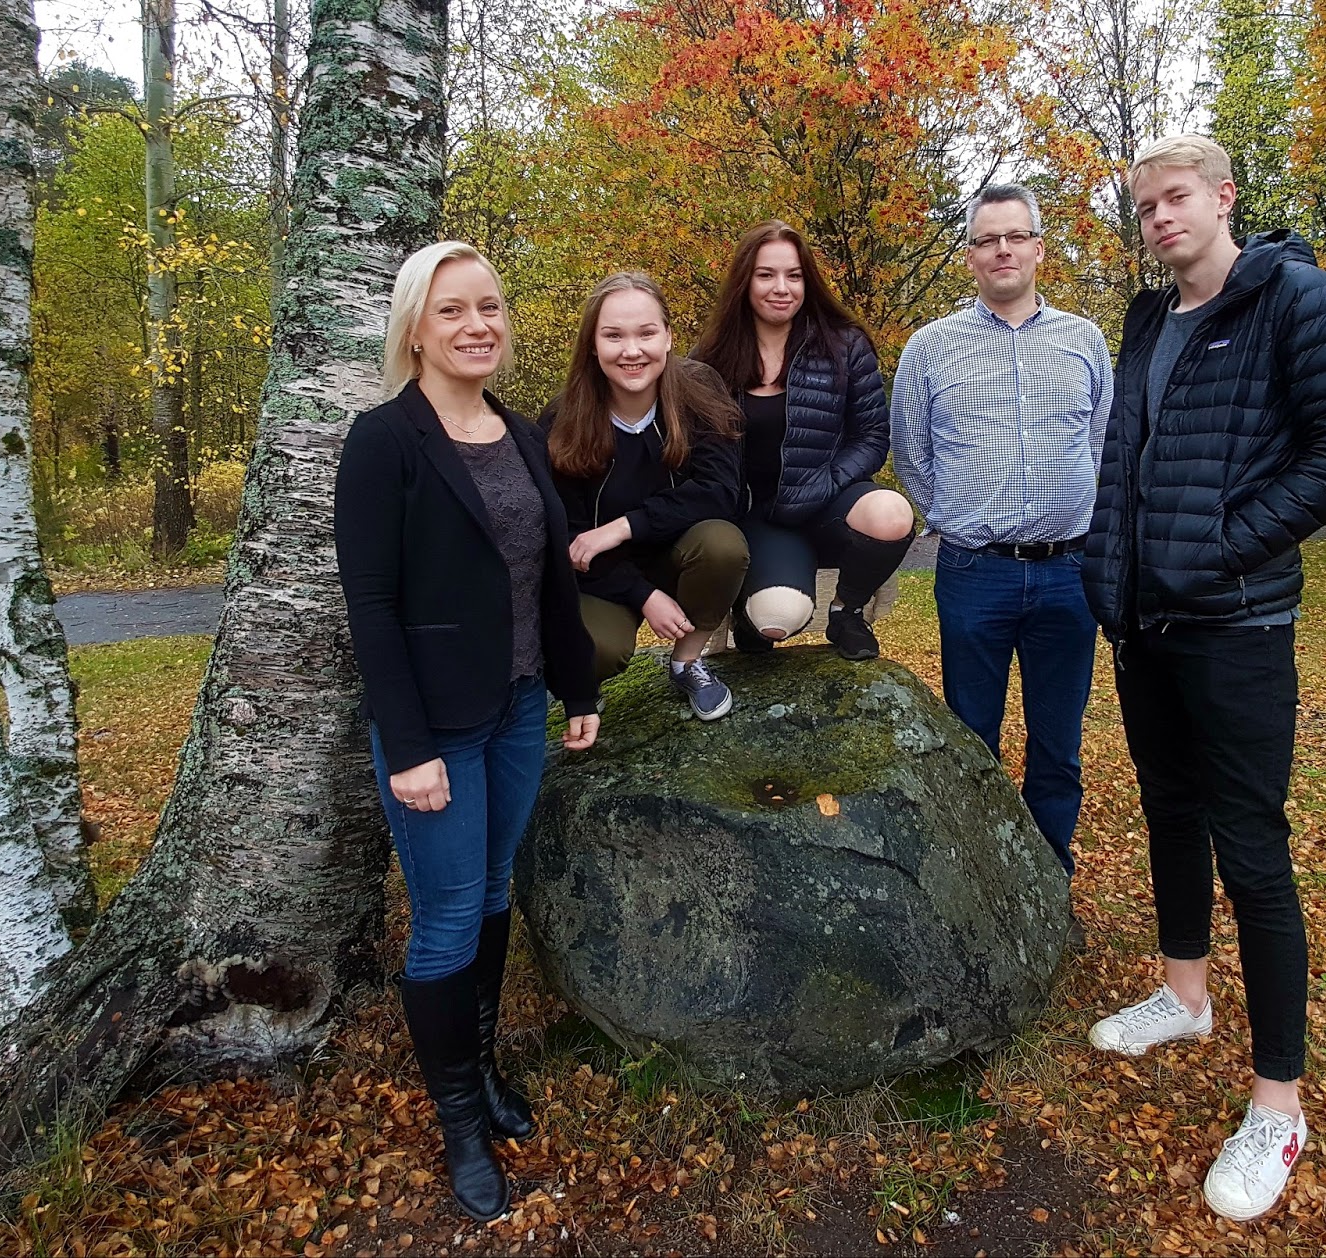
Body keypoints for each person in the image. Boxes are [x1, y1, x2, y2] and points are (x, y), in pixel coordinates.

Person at [1081, 135, 1326, 1222]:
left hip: (1239, 626)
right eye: (1145, 206)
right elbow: (1127, 459)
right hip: (1146, 623)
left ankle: (1277, 1106)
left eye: (1177, 198)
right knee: (1170, 812)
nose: (1161, 218)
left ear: (1223, 198)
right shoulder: (1147, 318)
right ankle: (1183, 993)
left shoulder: (1298, 299)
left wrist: (1221, 547)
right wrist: (1111, 574)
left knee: (1251, 849)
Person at [334, 242, 601, 1222]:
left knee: (492, 892)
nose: (476, 325)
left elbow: (547, 577)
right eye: (452, 310)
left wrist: (578, 685)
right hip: (436, 726)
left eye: (488, 306)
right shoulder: (384, 441)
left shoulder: (520, 433)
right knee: (447, 916)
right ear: (415, 328)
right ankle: (458, 1123)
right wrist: (406, 749)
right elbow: (370, 607)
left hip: (518, 708)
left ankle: (483, 1071)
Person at [891, 184, 1110, 944]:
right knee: (970, 743)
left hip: (1067, 574)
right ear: (971, 255)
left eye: (1017, 236)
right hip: (974, 573)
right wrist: (957, 518)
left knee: (1058, 746)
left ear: (1040, 248)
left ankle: (1049, 892)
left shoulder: (1084, 341)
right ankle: (981, 900)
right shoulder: (931, 348)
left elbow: (1102, 444)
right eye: (988, 239)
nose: (1003, 250)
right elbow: (911, 454)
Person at [691, 221, 914, 659]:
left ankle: (847, 611)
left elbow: (872, 436)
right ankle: (748, 609)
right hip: (759, 516)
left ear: (807, 280)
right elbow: (695, 452)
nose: (782, 288)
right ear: (744, 280)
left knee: (892, 513)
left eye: (793, 275)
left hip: (829, 500)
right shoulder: (710, 356)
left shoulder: (845, 345)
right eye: (766, 275)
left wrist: (825, 484)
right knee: (776, 617)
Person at [542, 271, 749, 719]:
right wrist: (643, 595)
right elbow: (569, 539)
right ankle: (585, 687)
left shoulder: (700, 394)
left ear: (669, 337)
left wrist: (623, 526)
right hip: (601, 574)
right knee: (593, 649)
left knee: (723, 545)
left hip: (682, 554)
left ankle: (687, 661)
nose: (632, 351)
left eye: (646, 333)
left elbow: (719, 492)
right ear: (592, 344)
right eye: (614, 336)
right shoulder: (563, 419)